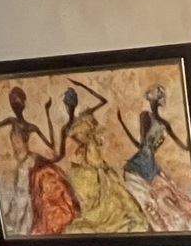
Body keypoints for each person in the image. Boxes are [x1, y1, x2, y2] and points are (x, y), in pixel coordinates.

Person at [0, 85, 79, 237]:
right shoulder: (12, 121)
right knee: (21, 198)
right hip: (24, 161)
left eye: (18, 101)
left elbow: (52, 148)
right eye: (12, 102)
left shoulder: (31, 127)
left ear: (24, 104)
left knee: (25, 195)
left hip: (29, 161)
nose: (15, 105)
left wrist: (48, 114)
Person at [60, 81, 149, 234]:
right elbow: (63, 153)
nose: (70, 106)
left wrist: (83, 86)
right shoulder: (67, 128)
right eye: (68, 103)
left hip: (94, 164)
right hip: (80, 169)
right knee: (90, 203)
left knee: (113, 196)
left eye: (72, 102)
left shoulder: (84, 118)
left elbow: (103, 100)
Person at [119, 86, 191, 232]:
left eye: (155, 100)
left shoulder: (163, 123)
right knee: (148, 202)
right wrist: (122, 124)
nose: (153, 103)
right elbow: (142, 145)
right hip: (140, 164)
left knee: (170, 200)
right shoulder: (145, 117)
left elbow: (186, 147)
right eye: (152, 100)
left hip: (150, 166)